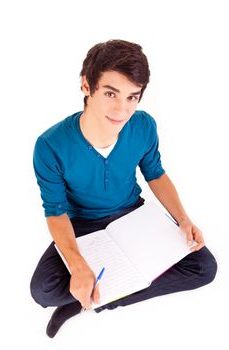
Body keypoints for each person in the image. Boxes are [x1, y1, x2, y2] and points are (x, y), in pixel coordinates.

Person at [30, 39, 217, 338]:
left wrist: (183, 219)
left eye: (133, 97)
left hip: (133, 215)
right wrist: (78, 266)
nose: (122, 109)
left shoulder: (144, 126)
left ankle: (96, 301)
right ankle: (94, 287)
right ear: (86, 86)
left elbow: (155, 174)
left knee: (204, 267)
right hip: (82, 225)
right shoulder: (50, 145)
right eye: (110, 93)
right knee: (43, 291)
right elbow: (55, 210)